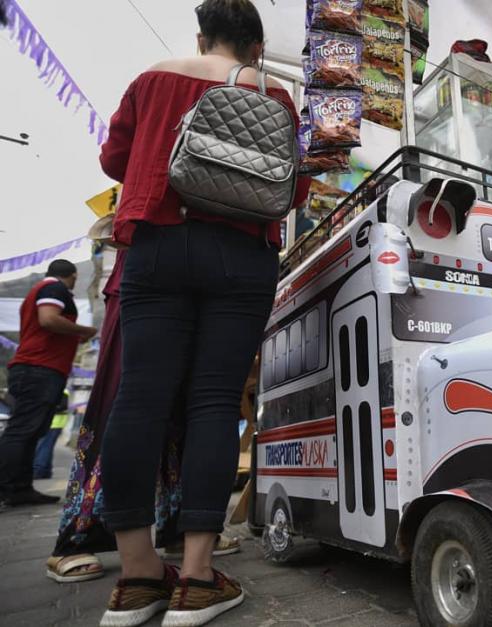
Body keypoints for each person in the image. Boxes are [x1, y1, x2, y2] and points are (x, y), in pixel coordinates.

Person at [95, 2, 310, 625]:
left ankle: (137, 577)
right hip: (241, 253)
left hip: (158, 241)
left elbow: (113, 160)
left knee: (139, 396)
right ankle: (195, 577)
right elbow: (292, 187)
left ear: (201, 36)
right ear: (256, 47)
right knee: (215, 402)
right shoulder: (272, 93)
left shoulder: (151, 78)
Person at [46, 251, 240, 585]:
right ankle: (78, 535)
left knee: (189, 408)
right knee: (126, 397)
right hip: (149, 270)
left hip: (210, 275)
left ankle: (179, 528)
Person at [0, 259, 96, 509]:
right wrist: (83, 330)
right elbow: (49, 319)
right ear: (72, 275)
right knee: (22, 430)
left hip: (39, 369)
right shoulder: (54, 288)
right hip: (39, 368)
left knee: (31, 431)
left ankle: (20, 488)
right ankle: (7, 487)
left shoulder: (43, 290)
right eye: (74, 279)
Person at [33, 390, 69, 479]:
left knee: (44, 447)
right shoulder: (59, 389)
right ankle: (46, 470)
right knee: (47, 447)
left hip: (53, 423)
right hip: (54, 423)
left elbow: (62, 406)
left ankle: (39, 469)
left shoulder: (60, 390)